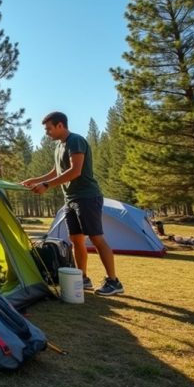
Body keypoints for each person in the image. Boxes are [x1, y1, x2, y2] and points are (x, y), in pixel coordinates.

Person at [21, 111, 124, 296]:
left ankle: (114, 281)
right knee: (76, 239)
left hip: (87, 197)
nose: (47, 133)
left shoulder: (75, 141)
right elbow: (56, 171)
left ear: (60, 125)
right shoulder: (59, 146)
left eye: (49, 129)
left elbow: (75, 171)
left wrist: (47, 185)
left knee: (96, 238)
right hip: (70, 199)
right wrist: (35, 180)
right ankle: (82, 277)